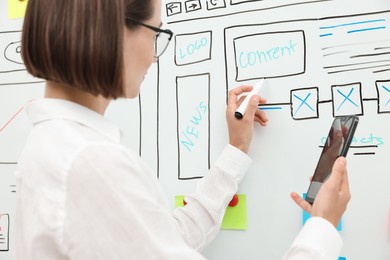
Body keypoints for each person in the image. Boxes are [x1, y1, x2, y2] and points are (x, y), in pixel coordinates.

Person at [14, 0, 350, 259]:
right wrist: (321, 228)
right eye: (156, 33)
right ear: (113, 30)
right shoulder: (89, 162)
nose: (155, 57)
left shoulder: (53, 143)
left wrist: (235, 151)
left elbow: (164, 240)